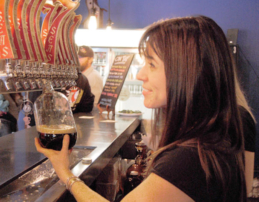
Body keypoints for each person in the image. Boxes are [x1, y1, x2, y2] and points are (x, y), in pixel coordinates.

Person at [35, 16, 248, 201]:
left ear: (186, 74)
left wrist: (66, 174)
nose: (140, 75)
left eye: (152, 64)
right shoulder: (212, 140)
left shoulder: (188, 161)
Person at [23, 70, 95, 127]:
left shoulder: (43, 78)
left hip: (46, 129)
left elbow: (34, 110)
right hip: (71, 128)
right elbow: (87, 107)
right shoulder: (82, 78)